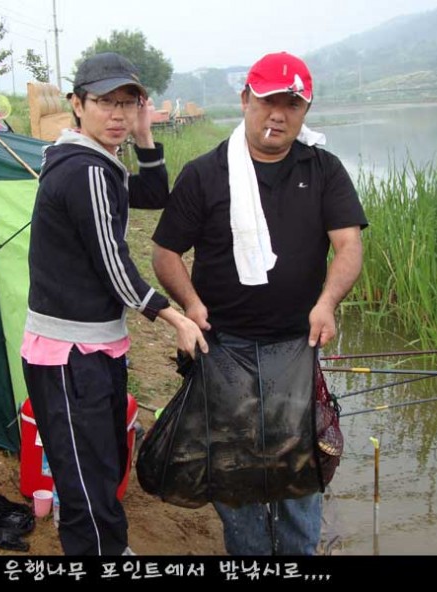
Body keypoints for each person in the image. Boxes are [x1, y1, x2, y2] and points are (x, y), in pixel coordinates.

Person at [151, 51, 368, 555]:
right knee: (233, 467)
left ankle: (298, 554)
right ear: (245, 99)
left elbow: (349, 246)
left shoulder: (323, 169)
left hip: (295, 345)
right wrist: (190, 304)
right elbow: (165, 253)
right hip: (223, 347)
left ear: (305, 110)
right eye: (269, 100)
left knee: (298, 465)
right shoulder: (205, 174)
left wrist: (327, 303)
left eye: (292, 104)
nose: (279, 114)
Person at [21, 52, 208, 556]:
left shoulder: (95, 161)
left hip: (93, 345)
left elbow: (153, 193)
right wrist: (172, 316)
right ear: (77, 104)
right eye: (106, 102)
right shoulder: (84, 170)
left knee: (101, 463)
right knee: (85, 475)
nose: (118, 114)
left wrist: (145, 137)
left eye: (129, 103)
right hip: (68, 354)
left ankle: (107, 547)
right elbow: (114, 264)